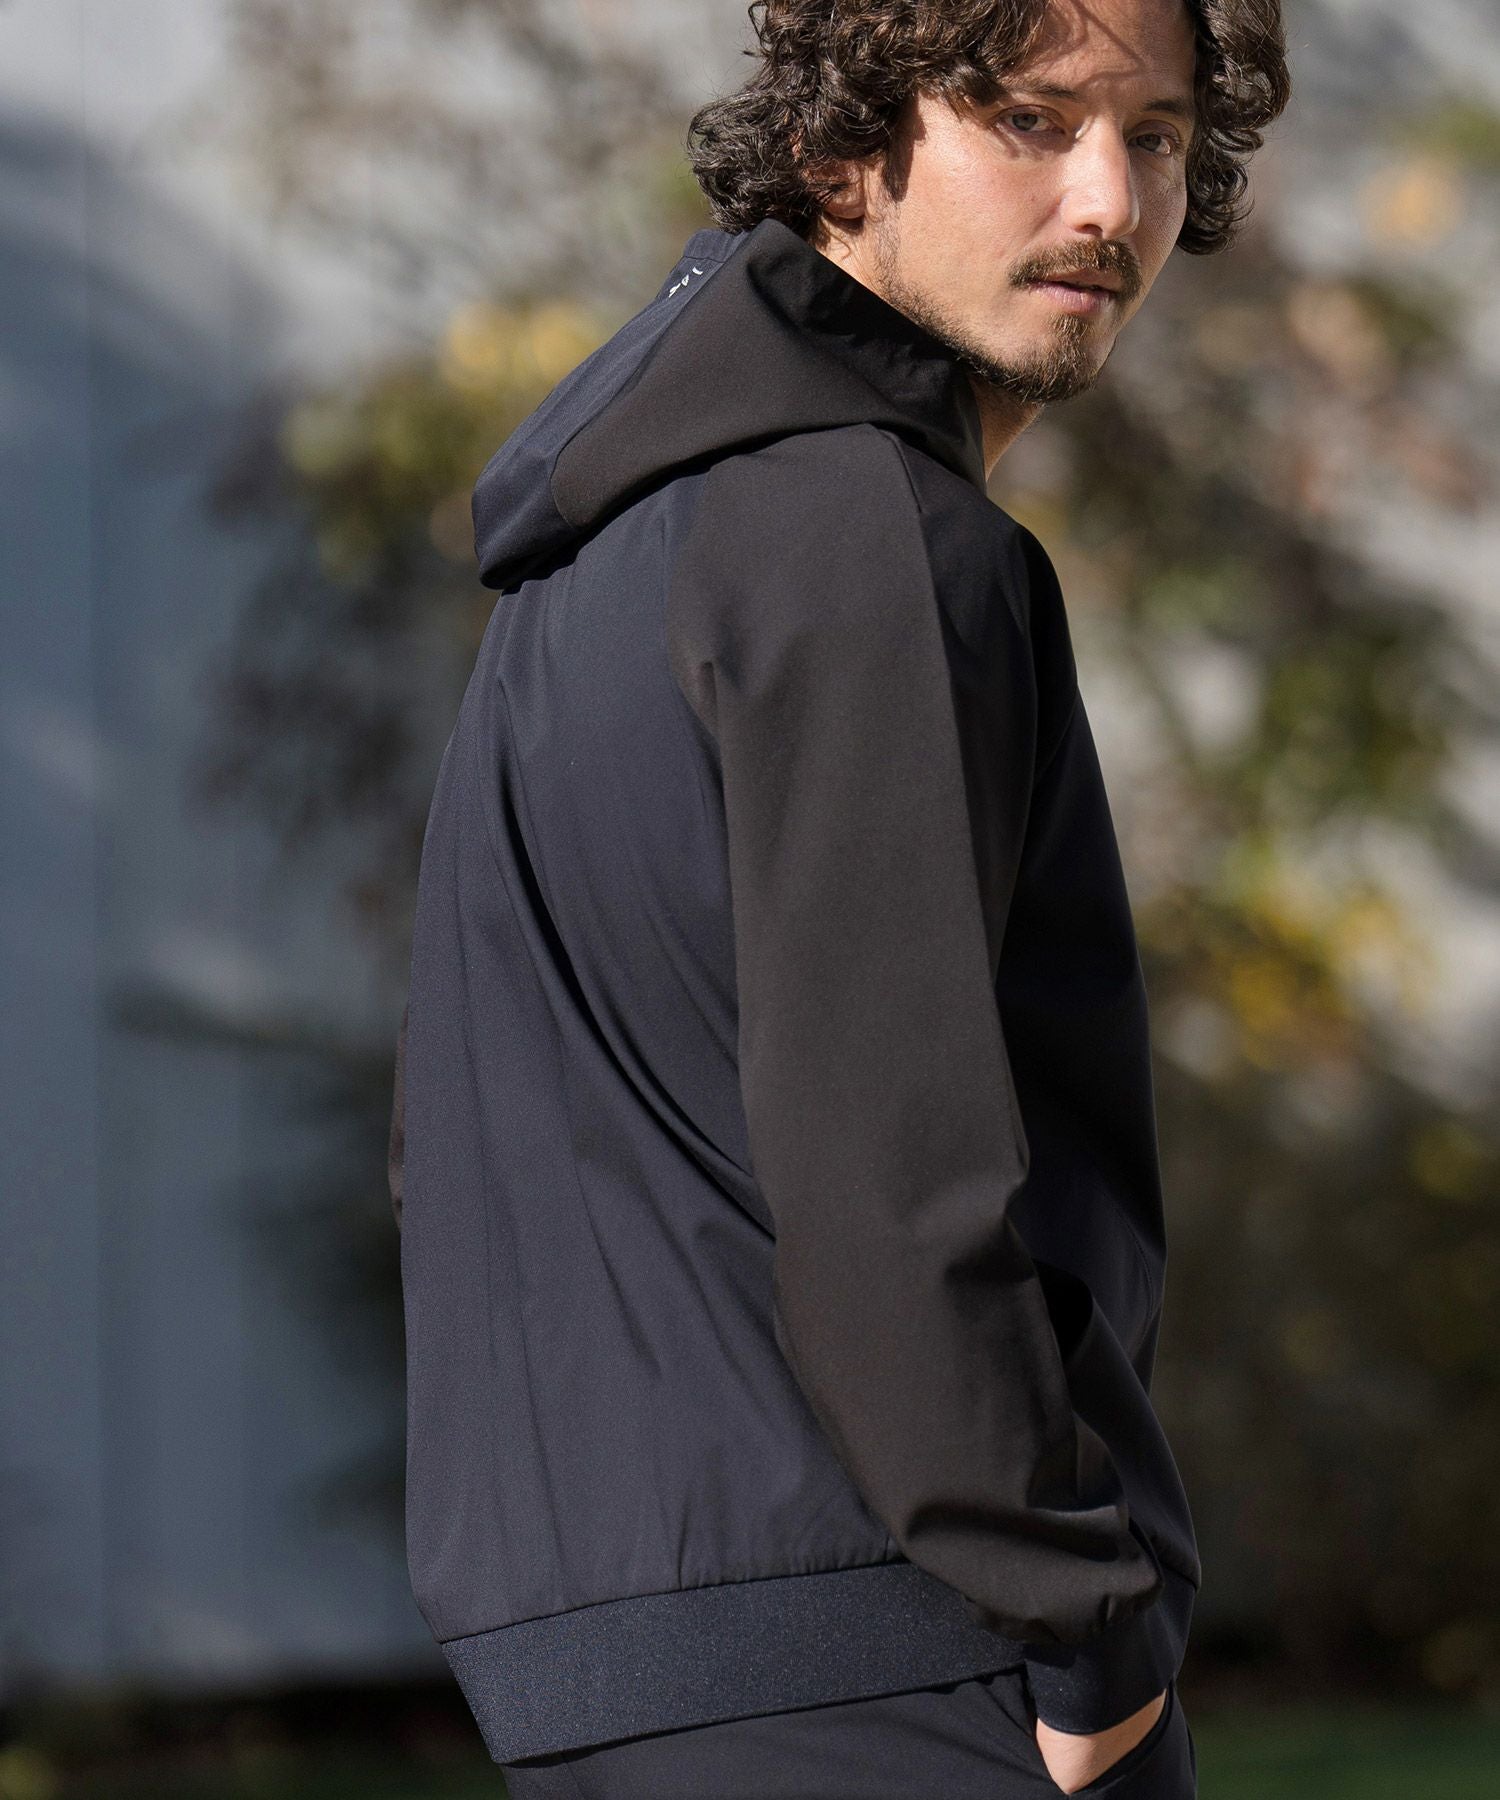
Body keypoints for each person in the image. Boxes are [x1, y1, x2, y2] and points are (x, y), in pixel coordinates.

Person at [389, 0, 1290, 1793]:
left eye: (1158, 135)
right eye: (1031, 118)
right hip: (898, 1658)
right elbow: (900, 1160)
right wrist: (1082, 1627)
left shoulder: (609, 555)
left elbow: (449, 1143)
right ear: (839, 142)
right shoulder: (870, 542)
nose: (1111, 200)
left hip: (618, 1667)